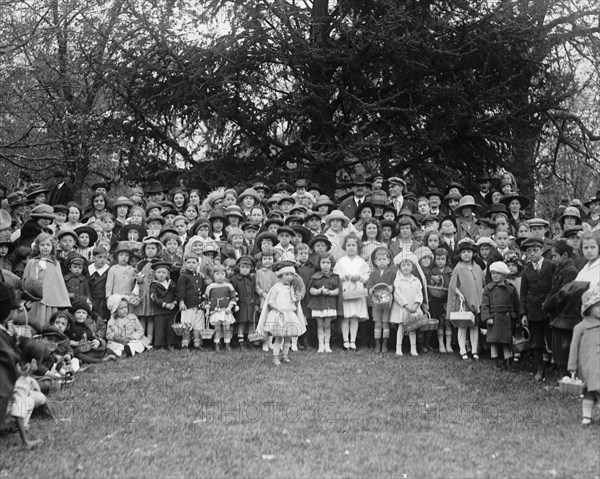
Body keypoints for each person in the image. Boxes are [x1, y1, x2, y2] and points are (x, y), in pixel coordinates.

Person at [519, 236, 556, 381]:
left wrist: (552, 304)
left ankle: (558, 367)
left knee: (552, 339)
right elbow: (522, 295)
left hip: (549, 308)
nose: (533, 253)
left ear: (542, 250)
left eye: (535, 250)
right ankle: (539, 368)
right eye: (529, 251)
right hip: (533, 310)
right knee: (536, 341)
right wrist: (523, 314)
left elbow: (556, 286)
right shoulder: (526, 272)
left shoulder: (551, 265)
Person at [256, 262, 307, 365]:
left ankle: (285, 355)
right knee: (279, 337)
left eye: (291, 274)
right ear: (280, 275)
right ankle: (275, 357)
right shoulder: (276, 288)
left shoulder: (291, 288)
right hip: (279, 315)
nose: (289, 277)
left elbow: (293, 301)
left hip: (289, 315)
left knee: (288, 337)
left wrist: (296, 298)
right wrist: (278, 309)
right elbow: (270, 301)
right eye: (287, 274)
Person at [22, 233, 71, 330]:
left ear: (52, 247)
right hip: (34, 300)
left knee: (48, 323)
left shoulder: (55, 263)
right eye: (42, 245)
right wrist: (27, 297)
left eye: (48, 245)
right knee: (33, 323)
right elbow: (25, 281)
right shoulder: (32, 262)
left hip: (50, 300)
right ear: (37, 247)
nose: (45, 248)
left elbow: (59, 284)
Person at [447, 239, 484, 361]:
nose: (466, 254)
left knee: (474, 326)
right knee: (462, 325)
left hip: (475, 301)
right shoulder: (459, 267)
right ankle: (463, 350)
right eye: (463, 252)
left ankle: (474, 350)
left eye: (468, 251)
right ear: (459, 254)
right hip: (462, 301)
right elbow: (453, 285)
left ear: (473, 253)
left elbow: (480, 284)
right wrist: (460, 293)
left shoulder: (477, 268)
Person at [568, 287, 600, 425]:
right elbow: (573, 348)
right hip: (587, 367)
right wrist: (572, 367)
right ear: (588, 308)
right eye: (598, 306)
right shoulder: (581, 327)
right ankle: (586, 416)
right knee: (588, 391)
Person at [333, 234, 370, 351]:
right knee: (346, 316)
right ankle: (345, 340)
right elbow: (336, 274)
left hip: (357, 290)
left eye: (354, 245)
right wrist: (344, 276)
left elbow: (367, 274)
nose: (351, 247)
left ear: (358, 247)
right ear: (345, 246)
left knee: (354, 316)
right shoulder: (341, 261)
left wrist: (360, 278)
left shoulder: (361, 262)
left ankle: (353, 340)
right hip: (345, 289)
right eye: (348, 245)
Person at [481, 261, 520, 369]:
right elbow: (484, 305)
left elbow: (516, 304)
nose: (495, 276)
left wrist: (517, 317)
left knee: (506, 342)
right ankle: (496, 361)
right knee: (494, 341)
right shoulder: (488, 289)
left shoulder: (510, 288)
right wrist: (487, 317)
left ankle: (508, 361)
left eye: (498, 273)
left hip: (507, 318)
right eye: (493, 273)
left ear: (504, 275)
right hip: (494, 318)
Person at [390, 251, 423, 356]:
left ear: (412, 267)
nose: (406, 267)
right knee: (401, 327)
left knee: (412, 327)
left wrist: (416, 304)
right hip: (403, 308)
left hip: (413, 307)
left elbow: (419, 293)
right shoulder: (398, 280)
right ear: (399, 267)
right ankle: (398, 348)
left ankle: (413, 348)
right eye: (403, 265)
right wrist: (406, 305)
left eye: (408, 265)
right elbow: (397, 294)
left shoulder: (416, 280)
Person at [365, 246, 396, 353]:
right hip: (376, 302)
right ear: (375, 261)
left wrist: (391, 287)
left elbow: (395, 283)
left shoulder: (392, 273)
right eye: (379, 260)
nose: (382, 262)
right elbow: (369, 284)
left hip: (387, 302)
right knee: (377, 323)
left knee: (385, 323)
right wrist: (370, 289)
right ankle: (377, 343)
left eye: (384, 259)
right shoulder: (373, 274)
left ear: (388, 260)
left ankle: (385, 344)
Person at [308, 254, 340, 353]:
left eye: (328, 263)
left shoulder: (334, 277)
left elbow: (337, 290)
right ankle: (320, 345)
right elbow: (311, 290)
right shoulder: (315, 277)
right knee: (320, 324)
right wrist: (318, 291)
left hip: (329, 304)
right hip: (318, 304)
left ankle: (327, 344)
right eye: (323, 263)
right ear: (319, 264)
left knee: (327, 324)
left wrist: (331, 292)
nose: (325, 265)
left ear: (331, 264)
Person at [177, 253, 207, 350]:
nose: (191, 264)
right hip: (187, 305)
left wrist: (205, 300)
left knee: (198, 326)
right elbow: (181, 291)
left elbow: (203, 290)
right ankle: (185, 344)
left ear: (198, 264)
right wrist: (181, 302)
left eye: (193, 262)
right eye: (188, 262)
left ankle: (197, 344)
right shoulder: (183, 277)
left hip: (198, 305)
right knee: (186, 325)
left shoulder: (200, 276)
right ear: (185, 264)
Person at [204, 264, 237, 351]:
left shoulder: (228, 286)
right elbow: (206, 300)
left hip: (225, 310)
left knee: (227, 327)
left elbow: (233, 297)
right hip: (215, 311)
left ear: (225, 275)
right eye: (217, 274)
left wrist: (229, 307)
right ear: (213, 275)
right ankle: (217, 343)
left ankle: (227, 343)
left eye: (222, 274)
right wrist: (207, 310)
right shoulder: (210, 287)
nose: (220, 277)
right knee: (217, 328)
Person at [229, 256, 258, 348]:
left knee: (251, 323)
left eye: (247, 267)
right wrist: (234, 304)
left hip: (251, 304)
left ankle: (251, 341)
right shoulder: (234, 279)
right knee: (241, 323)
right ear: (238, 267)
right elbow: (232, 293)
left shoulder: (251, 279)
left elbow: (254, 292)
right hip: (240, 304)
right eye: (243, 267)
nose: (245, 270)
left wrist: (256, 303)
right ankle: (240, 341)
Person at [149, 261, 178, 349]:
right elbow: (154, 297)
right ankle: (159, 345)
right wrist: (164, 304)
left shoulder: (171, 283)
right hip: (160, 310)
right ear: (155, 274)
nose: (161, 275)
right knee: (160, 328)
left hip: (171, 309)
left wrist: (174, 303)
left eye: (163, 272)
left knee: (170, 328)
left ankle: (171, 344)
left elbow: (176, 294)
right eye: (159, 272)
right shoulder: (154, 285)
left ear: (167, 274)